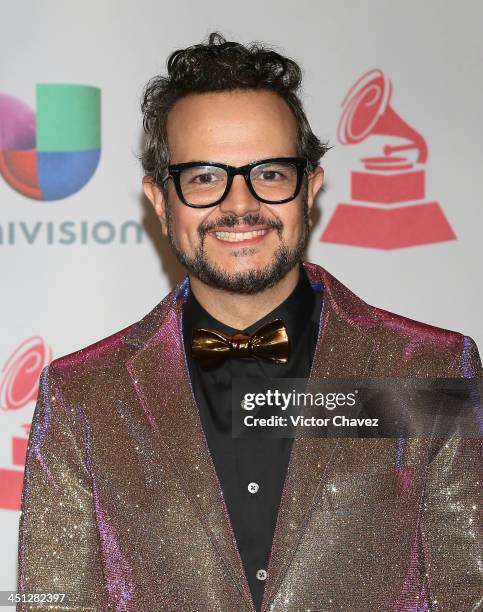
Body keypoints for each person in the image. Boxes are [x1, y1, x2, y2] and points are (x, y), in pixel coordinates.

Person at [17, 32, 482, 612]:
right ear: (161, 201)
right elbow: (49, 604)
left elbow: (471, 590)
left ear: (309, 188)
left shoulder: (427, 369)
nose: (240, 203)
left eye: (269, 172)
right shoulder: (84, 394)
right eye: (205, 176)